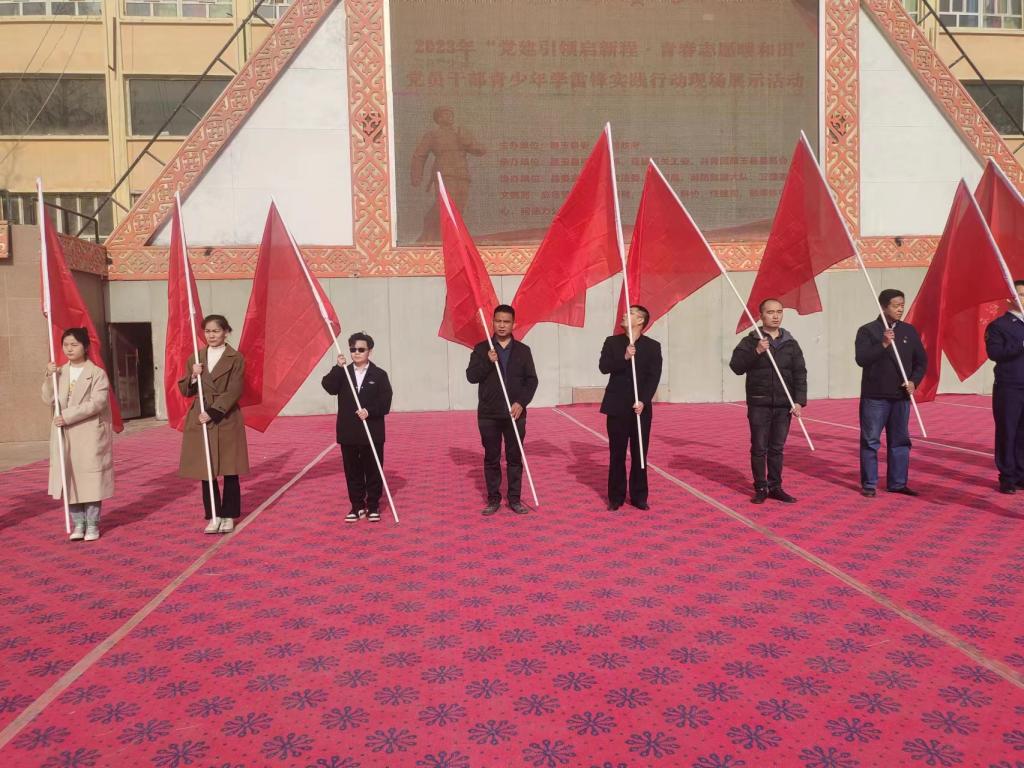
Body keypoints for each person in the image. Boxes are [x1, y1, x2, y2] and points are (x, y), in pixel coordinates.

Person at [729, 299, 807, 504]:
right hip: (759, 403)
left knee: (777, 448)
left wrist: (799, 401)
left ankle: (775, 486)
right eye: (770, 312)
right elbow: (736, 367)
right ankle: (761, 487)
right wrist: (756, 351)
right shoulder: (750, 341)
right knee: (759, 447)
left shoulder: (790, 343)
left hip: (784, 405)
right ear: (761, 315)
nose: (775, 316)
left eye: (779, 312)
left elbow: (800, 373)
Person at [178, 315, 249, 533]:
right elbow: (185, 390)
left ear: (226, 332)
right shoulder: (196, 357)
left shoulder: (236, 358)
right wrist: (193, 376)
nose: (211, 335)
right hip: (200, 415)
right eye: (207, 331)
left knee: (230, 468)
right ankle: (213, 515)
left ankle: (229, 515)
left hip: (225, 416)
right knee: (206, 469)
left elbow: (235, 389)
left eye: (216, 331)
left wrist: (213, 412)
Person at [42, 328, 115, 541]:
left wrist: (67, 416)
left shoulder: (97, 373)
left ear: (85, 347)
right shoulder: (60, 372)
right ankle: (78, 523)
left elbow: (97, 403)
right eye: (66, 345)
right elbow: (48, 399)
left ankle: (92, 524)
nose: (69, 349)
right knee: (70, 478)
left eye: (74, 345)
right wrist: (49, 377)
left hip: (88, 433)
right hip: (64, 434)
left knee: (90, 480)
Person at [466, 304, 538, 516]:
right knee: (492, 457)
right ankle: (493, 499)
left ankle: (514, 499)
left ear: (513, 324)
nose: (502, 325)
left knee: (514, 458)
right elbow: (471, 376)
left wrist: (521, 402)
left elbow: (532, 381)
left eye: (506, 321)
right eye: (498, 321)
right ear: (492, 322)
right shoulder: (482, 349)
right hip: (489, 414)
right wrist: (488, 362)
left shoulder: (523, 350)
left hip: (515, 414)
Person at [855, 289, 926, 498]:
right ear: (884, 306)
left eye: (902, 305)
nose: (900, 309)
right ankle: (869, 483)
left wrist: (913, 381)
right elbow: (862, 359)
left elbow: (921, 361)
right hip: (875, 397)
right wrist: (883, 344)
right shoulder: (868, 331)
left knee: (900, 441)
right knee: (871, 441)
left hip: (901, 397)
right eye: (896, 306)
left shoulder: (909, 331)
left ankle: (898, 482)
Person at [322, 332, 393, 522]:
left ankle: (373, 505)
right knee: (352, 471)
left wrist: (369, 411)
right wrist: (338, 368)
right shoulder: (343, 372)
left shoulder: (379, 375)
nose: (356, 353)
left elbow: (385, 402)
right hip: (349, 432)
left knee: (373, 470)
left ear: (369, 351)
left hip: (372, 431)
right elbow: (328, 387)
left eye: (361, 349)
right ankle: (357, 506)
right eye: (353, 349)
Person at [599, 305, 662, 511]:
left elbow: (653, 377)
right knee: (616, 453)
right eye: (626, 312)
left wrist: (643, 400)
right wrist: (624, 357)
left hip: (640, 408)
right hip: (617, 406)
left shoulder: (653, 346)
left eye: (631, 313)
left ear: (641, 321)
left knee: (639, 453)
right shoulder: (612, 342)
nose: (625, 314)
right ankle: (615, 497)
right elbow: (603, 367)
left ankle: (639, 496)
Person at [410, 105, 486, 243]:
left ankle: (452, 236)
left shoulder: (460, 133)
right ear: (438, 119)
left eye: (451, 114)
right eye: (445, 114)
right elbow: (419, 155)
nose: (450, 116)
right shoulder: (432, 135)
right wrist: (416, 175)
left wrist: (467, 141)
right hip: (445, 174)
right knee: (445, 205)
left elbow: (480, 150)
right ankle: (431, 232)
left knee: (459, 207)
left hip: (462, 174)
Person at [985, 280, 1024, 494]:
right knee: (1008, 431)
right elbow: (995, 353)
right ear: (1010, 298)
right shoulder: (999, 325)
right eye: (1021, 294)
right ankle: (1007, 476)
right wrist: (1021, 345)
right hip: (1010, 386)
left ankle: (1021, 473)